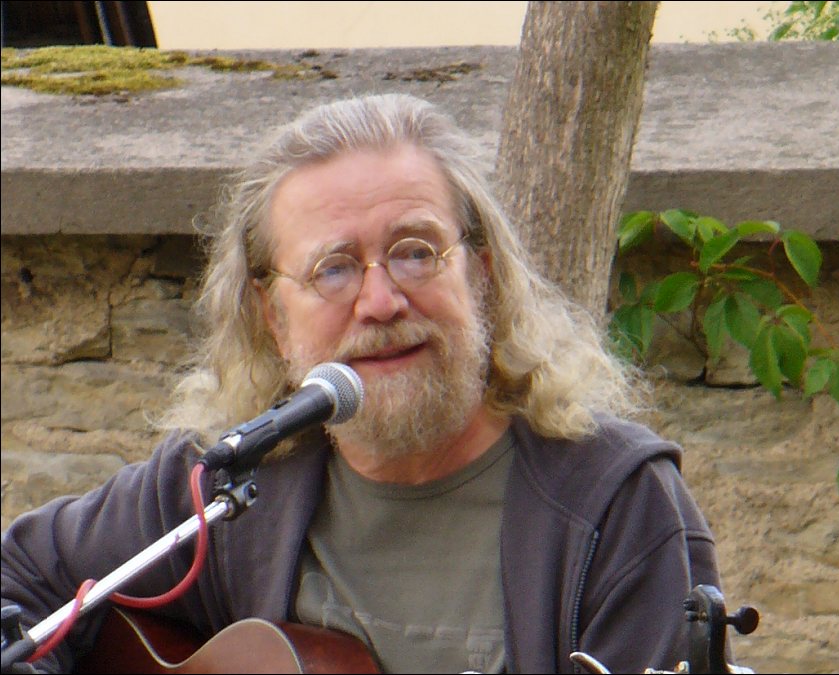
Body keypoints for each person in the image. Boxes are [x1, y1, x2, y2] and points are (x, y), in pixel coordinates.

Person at [2, 93, 724, 674]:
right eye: (334, 269)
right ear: (272, 317)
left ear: (482, 276)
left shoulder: (615, 505)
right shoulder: (224, 489)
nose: (381, 302)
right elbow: (22, 578)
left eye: (416, 252)